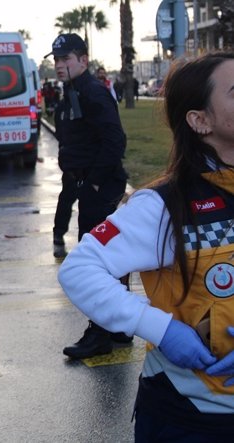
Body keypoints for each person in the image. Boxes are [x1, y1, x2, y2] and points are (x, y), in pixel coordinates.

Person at [58, 52, 234, 441]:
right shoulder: (165, 205)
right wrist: (161, 328)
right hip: (192, 418)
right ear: (199, 120)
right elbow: (80, 269)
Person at [46, 33, 129, 359]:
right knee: (113, 258)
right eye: (57, 60)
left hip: (101, 188)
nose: (60, 66)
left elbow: (115, 140)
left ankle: (99, 334)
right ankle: (119, 325)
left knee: (94, 262)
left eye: (66, 59)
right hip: (88, 186)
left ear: (83, 60)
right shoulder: (73, 93)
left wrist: (93, 183)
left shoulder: (93, 92)